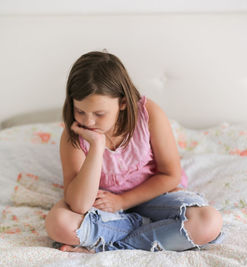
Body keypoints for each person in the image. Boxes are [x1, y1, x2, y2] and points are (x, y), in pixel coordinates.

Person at [45, 51, 223, 253]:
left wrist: (122, 201)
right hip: (104, 210)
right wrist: (96, 146)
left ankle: (108, 247)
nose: (88, 122)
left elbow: (170, 175)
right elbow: (79, 205)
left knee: (208, 221)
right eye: (80, 111)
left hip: (153, 196)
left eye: (99, 114)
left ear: (122, 103)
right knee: (58, 223)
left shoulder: (149, 114)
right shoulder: (75, 135)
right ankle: (150, 231)